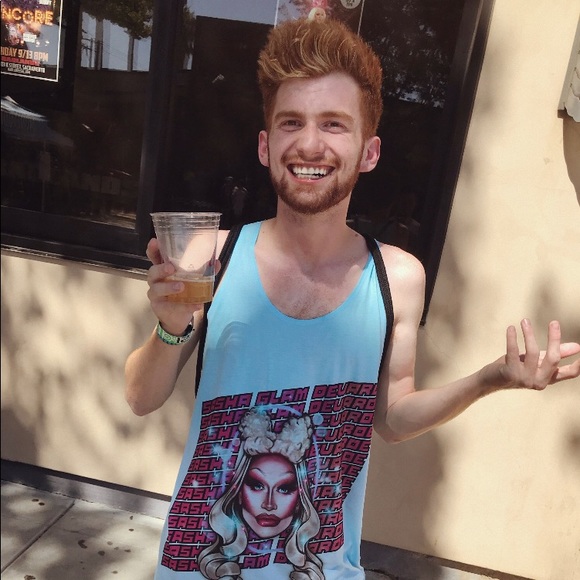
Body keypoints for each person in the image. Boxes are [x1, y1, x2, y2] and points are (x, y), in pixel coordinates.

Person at [124, 17, 580, 580]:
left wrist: (490, 379)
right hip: (203, 567)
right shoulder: (211, 253)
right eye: (292, 122)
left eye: (334, 124)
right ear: (266, 146)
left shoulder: (398, 277)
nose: (310, 144)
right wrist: (169, 327)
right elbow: (140, 397)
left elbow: (392, 418)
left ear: (369, 151)